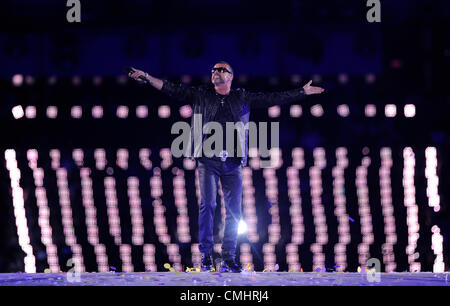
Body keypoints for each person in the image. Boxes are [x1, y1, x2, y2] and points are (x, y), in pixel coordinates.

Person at [128, 62, 324, 272]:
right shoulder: (200, 94)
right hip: (208, 160)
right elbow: (171, 88)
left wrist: (301, 91)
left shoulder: (241, 97)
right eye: (213, 69)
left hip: (232, 162)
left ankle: (229, 256)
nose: (215, 72)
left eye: (221, 70)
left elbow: (272, 98)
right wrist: (148, 77)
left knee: (234, 211)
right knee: (209, 204)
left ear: (231, 76)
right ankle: (206, 255)